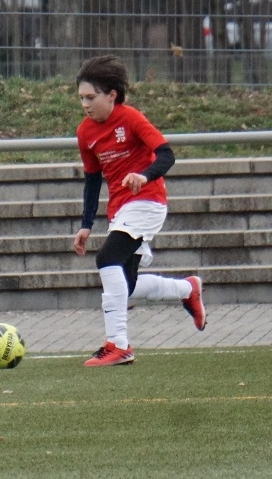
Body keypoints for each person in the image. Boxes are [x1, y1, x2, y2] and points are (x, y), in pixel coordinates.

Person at [72, 55, 206, 367]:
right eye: (81, 98)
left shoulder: (131, 119)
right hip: (120, 210)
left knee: (106, 259)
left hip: (147, 201)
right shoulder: (85, 132)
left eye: (91, 97)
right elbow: (92, 179)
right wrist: (86, 224)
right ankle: (187, 289)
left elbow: (166, 155)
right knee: (126, 286)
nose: (85, 104)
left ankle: (119, 345)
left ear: (111, 95)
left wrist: (144, 175)